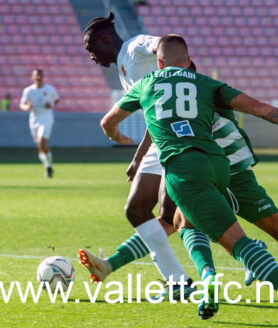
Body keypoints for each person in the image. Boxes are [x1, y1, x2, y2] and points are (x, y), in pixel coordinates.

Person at [101, 35, 278, 327]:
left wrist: (118, 138)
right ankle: (209, 279)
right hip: (218, 163)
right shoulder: (207, 84)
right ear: (188, 62)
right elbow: (260, 107)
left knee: (237, 243)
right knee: (182, 220)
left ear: (158, 63)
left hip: (186, 169)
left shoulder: (146, 84)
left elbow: (107, 122)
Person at [80, 12, 197, 300]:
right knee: (140, 210)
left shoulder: (134, 47)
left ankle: (249, 249)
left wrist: (184, 71)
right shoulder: (124, 67)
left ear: (105, 39)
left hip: (182, 136)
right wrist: (137, 156)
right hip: (159, 139)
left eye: (91, 50)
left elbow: (163, 44)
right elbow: (154, 116)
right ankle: (177, 282)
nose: (92, 58)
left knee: (175, 216)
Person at [19, 69, 59, 178]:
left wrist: (51, 104)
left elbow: (56, 99)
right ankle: (48, 167)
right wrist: (27, 107)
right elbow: (22, 104)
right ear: (32, 77)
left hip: (46, 118)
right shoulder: (28, 91)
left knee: (42, 142)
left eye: (40, 75)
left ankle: (49, 166)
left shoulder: (49, 89)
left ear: (43, 76)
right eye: (36, 76)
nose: (38, 77)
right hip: (34, 119)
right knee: (40, 147)